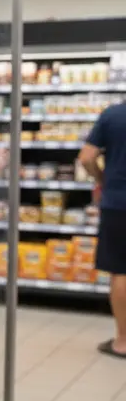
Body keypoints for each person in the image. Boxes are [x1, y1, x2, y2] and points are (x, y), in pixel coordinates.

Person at [78, 100, 126, 356]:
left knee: (121, 271)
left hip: (119, 203)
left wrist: (101, 178)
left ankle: (123, 341)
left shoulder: (113, 115)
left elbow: (86, 158)